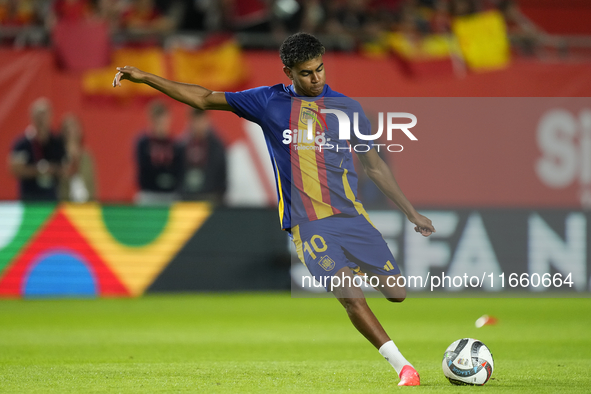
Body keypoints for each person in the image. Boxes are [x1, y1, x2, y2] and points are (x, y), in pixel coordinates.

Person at [113, 32, 435, 386]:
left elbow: (373, 166)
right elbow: (203, 98)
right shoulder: (268, 102)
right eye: (307, 72)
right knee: (350, 296)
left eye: (320, 69)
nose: (316, 78)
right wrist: (147, 78)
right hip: (308, 223)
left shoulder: (347, 108)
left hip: (351, 217)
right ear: (288, 72)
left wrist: (410, 212)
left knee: (397, 293)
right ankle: (403, 366)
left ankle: (350, 267)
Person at [9, 97, 65, 202]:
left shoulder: (58, 142)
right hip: (29, 197)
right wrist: (38, 171)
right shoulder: (22, 144)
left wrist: (54, 170)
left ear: (51, 116)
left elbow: (65, 168)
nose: (41, 119)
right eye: (38, 115)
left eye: (44, 114)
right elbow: (14, 169)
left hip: (52, 197)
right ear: (31, 117)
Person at [135, 100, 184, 205]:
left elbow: (179, 170)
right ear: (152, 121)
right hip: (150, 193)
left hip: (171, 193)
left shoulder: (175, 145)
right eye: (158, 122)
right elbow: (143, 169)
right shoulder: (144, 143)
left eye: (164, 121)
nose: (162, 125)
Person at [178, 107, 227, 204]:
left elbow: (222, 173)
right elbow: (177, 171)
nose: (198, 125)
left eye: (201, 120)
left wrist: (219, 195)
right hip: (186, 197)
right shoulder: (181, 145)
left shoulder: (217, 146)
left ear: (207, 121)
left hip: (210, 197)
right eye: (196, 121)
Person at [58, 113, 97, 202]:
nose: (71, 131)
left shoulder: (87, 156)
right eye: (67, 128)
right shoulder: (59, 155)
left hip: (86, 204)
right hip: (65, 203)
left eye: (74, 127)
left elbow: (91, 183)